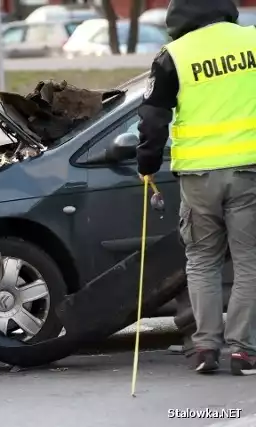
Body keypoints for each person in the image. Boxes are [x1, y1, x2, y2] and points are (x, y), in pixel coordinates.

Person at [136, 0, 256, 375]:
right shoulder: (252, 42)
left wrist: (147, 165)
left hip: (198, 177)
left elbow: (153, 119)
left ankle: (204, 347)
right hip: (248, 171)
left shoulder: (173, 56)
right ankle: (244, 351)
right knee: (248, 263)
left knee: (202, 261)